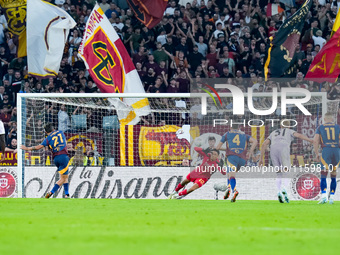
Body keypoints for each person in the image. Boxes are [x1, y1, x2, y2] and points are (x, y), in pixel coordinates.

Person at [259, 120, 313, 203]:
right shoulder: (290, 131)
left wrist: (261, 159)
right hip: (283, 148)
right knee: (287, 171)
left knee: (279, 174)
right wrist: (310, 140)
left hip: (273, 150)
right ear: (289, 126)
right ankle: (284, 188)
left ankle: (279, 192)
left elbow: (264, 144)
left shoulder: (273, 132)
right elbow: (299, 135)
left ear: (280, 126)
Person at [20, 123, 70, 198]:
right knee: (64, 178)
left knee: (64, 176)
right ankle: (51, 192)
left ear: (46, 132)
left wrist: (27, 148)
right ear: (53, 129)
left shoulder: (47, 138)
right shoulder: (60, 132)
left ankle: (67, 194)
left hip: (56, 158)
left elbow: (38, 147)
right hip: (63, 156)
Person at [216, 124, 258, 202]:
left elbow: (217, 147)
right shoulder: (244, 135)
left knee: (231, 175)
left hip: (232, 157)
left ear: (230, 127)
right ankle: (228, 189)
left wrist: (228, 149)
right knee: (229, 173)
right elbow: (255, 141)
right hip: (242, 159)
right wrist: (250, 152)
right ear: (239, 127)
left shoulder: (227, 134)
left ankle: (234, 191)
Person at [313, 113, 340, 204]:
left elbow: (316, 141)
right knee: (333, 175)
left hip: (326, 151)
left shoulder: (320, 127)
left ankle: (324, 196)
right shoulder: (338, 127)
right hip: (336, 151)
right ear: (332, 119)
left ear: (324, 119)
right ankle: (332, 197)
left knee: (323, 174)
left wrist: (317, 153)